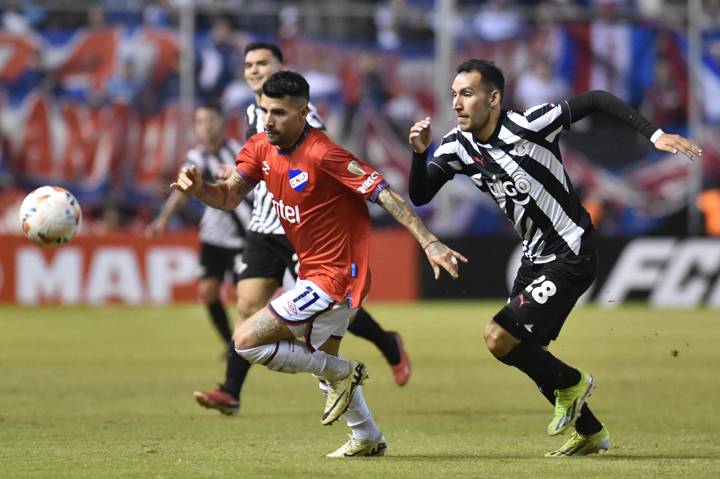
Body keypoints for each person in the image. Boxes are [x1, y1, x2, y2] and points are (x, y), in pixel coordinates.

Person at [407, 59, 702, 457]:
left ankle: (576, 381)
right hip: (534, 260)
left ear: (493, 98)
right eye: (454, 94)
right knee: (522, 351)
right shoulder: (456, 146)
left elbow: (596, 99)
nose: (457, 103)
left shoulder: (530, 124)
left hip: (570, 252)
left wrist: (655, 135)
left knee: (498, 336)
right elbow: (422, 194)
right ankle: (591, 432)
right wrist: (418, 155)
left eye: (468, 93)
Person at [172, 71, 466, 457]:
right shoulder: (260, 147)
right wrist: (200, 192)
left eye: (278, 112)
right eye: (264, 111)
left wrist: (428, 241)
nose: (268, 120)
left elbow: (383, 193)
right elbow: (228, 197)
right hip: (313, 272)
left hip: (338, 277)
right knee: (325, 366)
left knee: (246, 341)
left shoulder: (325, 154)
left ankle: (343, 373)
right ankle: (367, 437)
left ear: (303, 113)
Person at [193, 42, 412, 419]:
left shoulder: (307, 125)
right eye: (249, 64)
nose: (255, 70)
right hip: (264, 223)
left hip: (306, 231)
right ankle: (232, 390)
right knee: (247, 306)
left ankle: (386, 345)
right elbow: (252, 164)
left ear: (280, 69)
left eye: (264, 63)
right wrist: (227, 177)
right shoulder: (256, 115)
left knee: (334, 311)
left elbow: (315, 162)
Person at [147, 103, 250, 346]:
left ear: (222, 123)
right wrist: (162, 220)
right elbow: (181, 190)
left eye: (210, 121)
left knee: (246, 297)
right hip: (213, 237)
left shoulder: (239, 152)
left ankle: (249, 343)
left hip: (244, 237)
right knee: (208, 292)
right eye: (200, 122)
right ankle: (230, 345)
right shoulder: (195, 158)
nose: (205, 127)